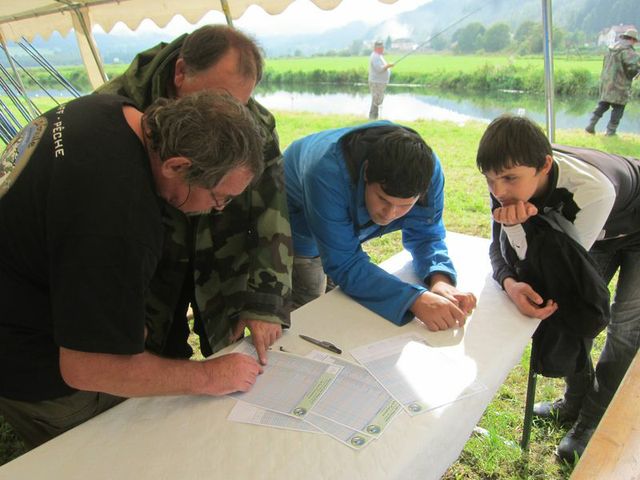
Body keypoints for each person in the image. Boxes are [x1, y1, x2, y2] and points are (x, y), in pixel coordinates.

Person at [0, 92, 266, 449]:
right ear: (177, 166)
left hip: (27, 286)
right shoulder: (119, 220)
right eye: (219, 197)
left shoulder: (110, 110)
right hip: (27, 355)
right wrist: (208, 375)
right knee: (116, 453)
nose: (218, 208)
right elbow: (87, 368)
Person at [96, 25, 292, 365]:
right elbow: (96, 229)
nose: (228, 117)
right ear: (181, 72)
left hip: (220, 265)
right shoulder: (115, 115)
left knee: (233, 357)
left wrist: (266, 301)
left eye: (239, 105)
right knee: (149, 363)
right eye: (217, 99)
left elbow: (271, 210)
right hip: (148, 274)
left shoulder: (255, 123)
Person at [476, 114, 640, 462]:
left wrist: (520, 233)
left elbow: (562, 272)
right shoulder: (505, 178)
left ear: (545, 166)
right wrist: (509, 282)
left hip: (628, 222)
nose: (498, 191)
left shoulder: (591, 190)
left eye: (509, 179)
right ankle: (573, 402)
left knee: (624, 328)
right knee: (568, 312)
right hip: (594, 232)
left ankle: (592, 422)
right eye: (490, 180)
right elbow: (500, 250)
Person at [284, 122, 476, 330]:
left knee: (345, 298)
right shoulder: (325, 174)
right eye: (383, 199)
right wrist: (415, 300)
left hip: (339, 193)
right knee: (309, 300)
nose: (389, 214)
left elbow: (426, 235)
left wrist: (440, 280)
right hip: (295, 205)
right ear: (367, 173)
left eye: (405, 205)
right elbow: (345, 264)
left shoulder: (429, 174)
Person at [585, 28, 640, 136]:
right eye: (634, 41)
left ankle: (590, 125)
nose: (634, 43)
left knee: (603, 104)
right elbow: (632, 68)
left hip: (606, 82)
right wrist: (636, 72)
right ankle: (611, 131)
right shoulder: (628, 52)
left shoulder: (611, 49)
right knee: (619, 107)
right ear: (632, 39)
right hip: (620, 84)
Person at [368, 40, 394, 120]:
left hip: (380, 82)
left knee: (378, 100)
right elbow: (379, 69)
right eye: (381, 47)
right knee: (376, 100)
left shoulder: (379, 56)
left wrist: (388, 66)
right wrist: (388, 65)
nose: (383, 49)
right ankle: (372, 118)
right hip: (376, 82)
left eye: (383, 47)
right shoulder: (375, 56)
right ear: (377, 48)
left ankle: (374, 118)